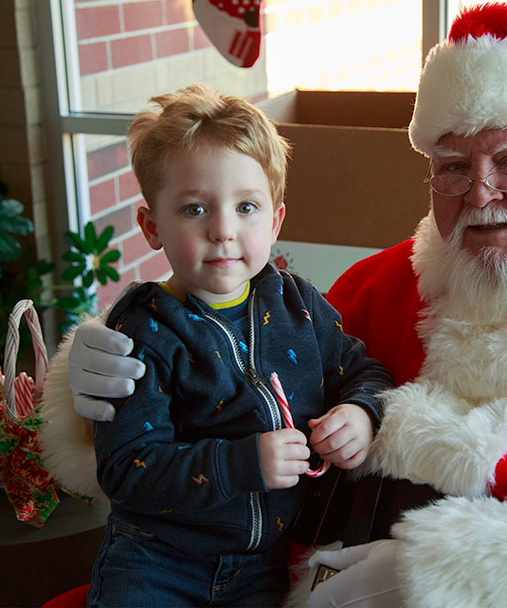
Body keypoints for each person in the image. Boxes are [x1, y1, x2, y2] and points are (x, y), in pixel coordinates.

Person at [40, 4, 507, 606]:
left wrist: (445, 576)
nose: (479, 191)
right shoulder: (384, 284)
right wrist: (102, 385)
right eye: (453, 166)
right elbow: (235, 387)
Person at [71, 84, 393, 607]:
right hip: (156, 561)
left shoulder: (299, 306)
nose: (223, 230)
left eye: (246, 207)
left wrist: (361, 414)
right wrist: (243, 464)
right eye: (195, 210)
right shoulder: (143, 331)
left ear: (275, 220)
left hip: (260, 563)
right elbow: (128, 469)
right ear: (152, 226)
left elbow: (366, 371)